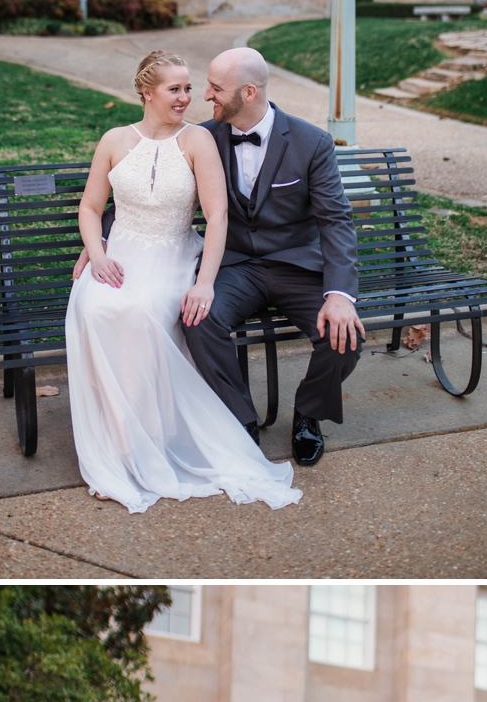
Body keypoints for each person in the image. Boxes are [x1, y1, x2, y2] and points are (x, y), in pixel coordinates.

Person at [64, 48, 300, 514]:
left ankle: (146, 439)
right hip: (120, 252)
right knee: (93, 306)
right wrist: (95, 252)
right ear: (146, 92)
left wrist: (205, 283)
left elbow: (217, 216)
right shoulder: (114, 139)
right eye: (175, 89)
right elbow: (91, 208)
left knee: (144, 311)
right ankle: (115, 442)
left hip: (173, 256)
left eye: (189, 88)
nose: (186, 98)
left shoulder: (197, 141)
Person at [187, 47, 366, 467]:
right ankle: (240, 419)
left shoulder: (311, 143)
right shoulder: (202, 138)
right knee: (196, 318)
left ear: (247, 92)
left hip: (295, 266)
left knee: (347, 337)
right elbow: (154, 197)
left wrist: (340, 294)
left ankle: (308, 413)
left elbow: (336, 221)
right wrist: (97, 239)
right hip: (234, 265)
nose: (207, 96)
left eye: (216, 88)